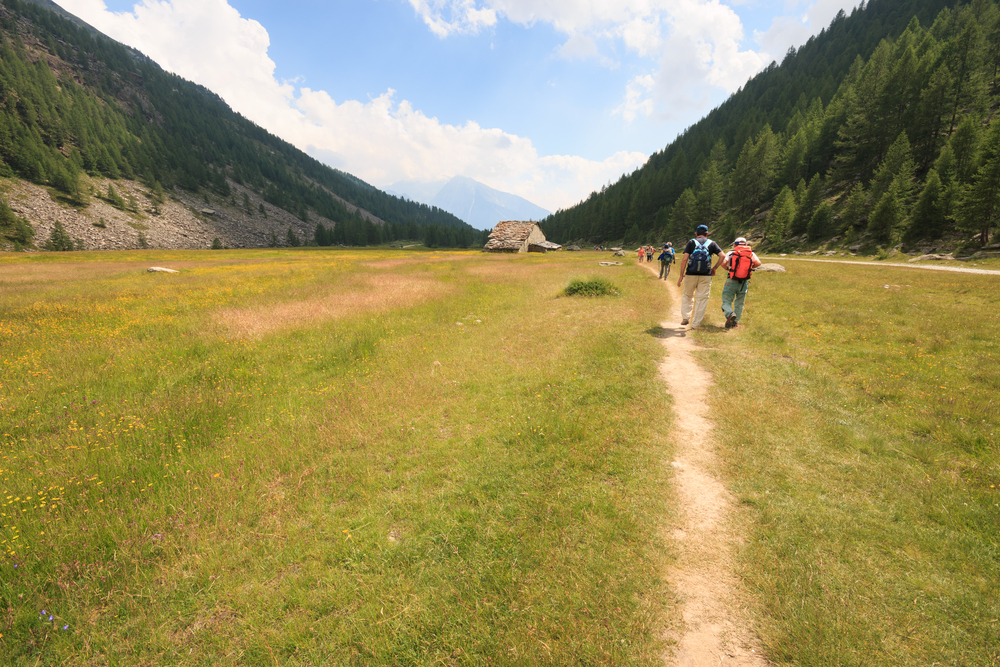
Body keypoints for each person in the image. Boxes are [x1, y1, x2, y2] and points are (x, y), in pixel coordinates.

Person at [676, 224, 724, 328]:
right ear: (707, 234)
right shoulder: (712, 243)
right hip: (705, 275)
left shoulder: (691, 242)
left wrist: (681, 275)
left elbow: (684, 259)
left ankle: (685, 317)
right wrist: (714, 268)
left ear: (696, 233)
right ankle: (696, 324)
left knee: (687, 295)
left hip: (690, 274)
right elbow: (722, 256)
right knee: (702, 299)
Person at [720, 237, 761, 329]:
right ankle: (735, 322)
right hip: (744, 282)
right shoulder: (751, 253)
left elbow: (723, 263)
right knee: (739, 303)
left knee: (726, 301)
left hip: (731, 280)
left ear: (735, 244)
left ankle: (730, 314)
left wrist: (729, 269)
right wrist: (749, 267)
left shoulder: (731, 252)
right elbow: (758, 263)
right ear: (746, 244)